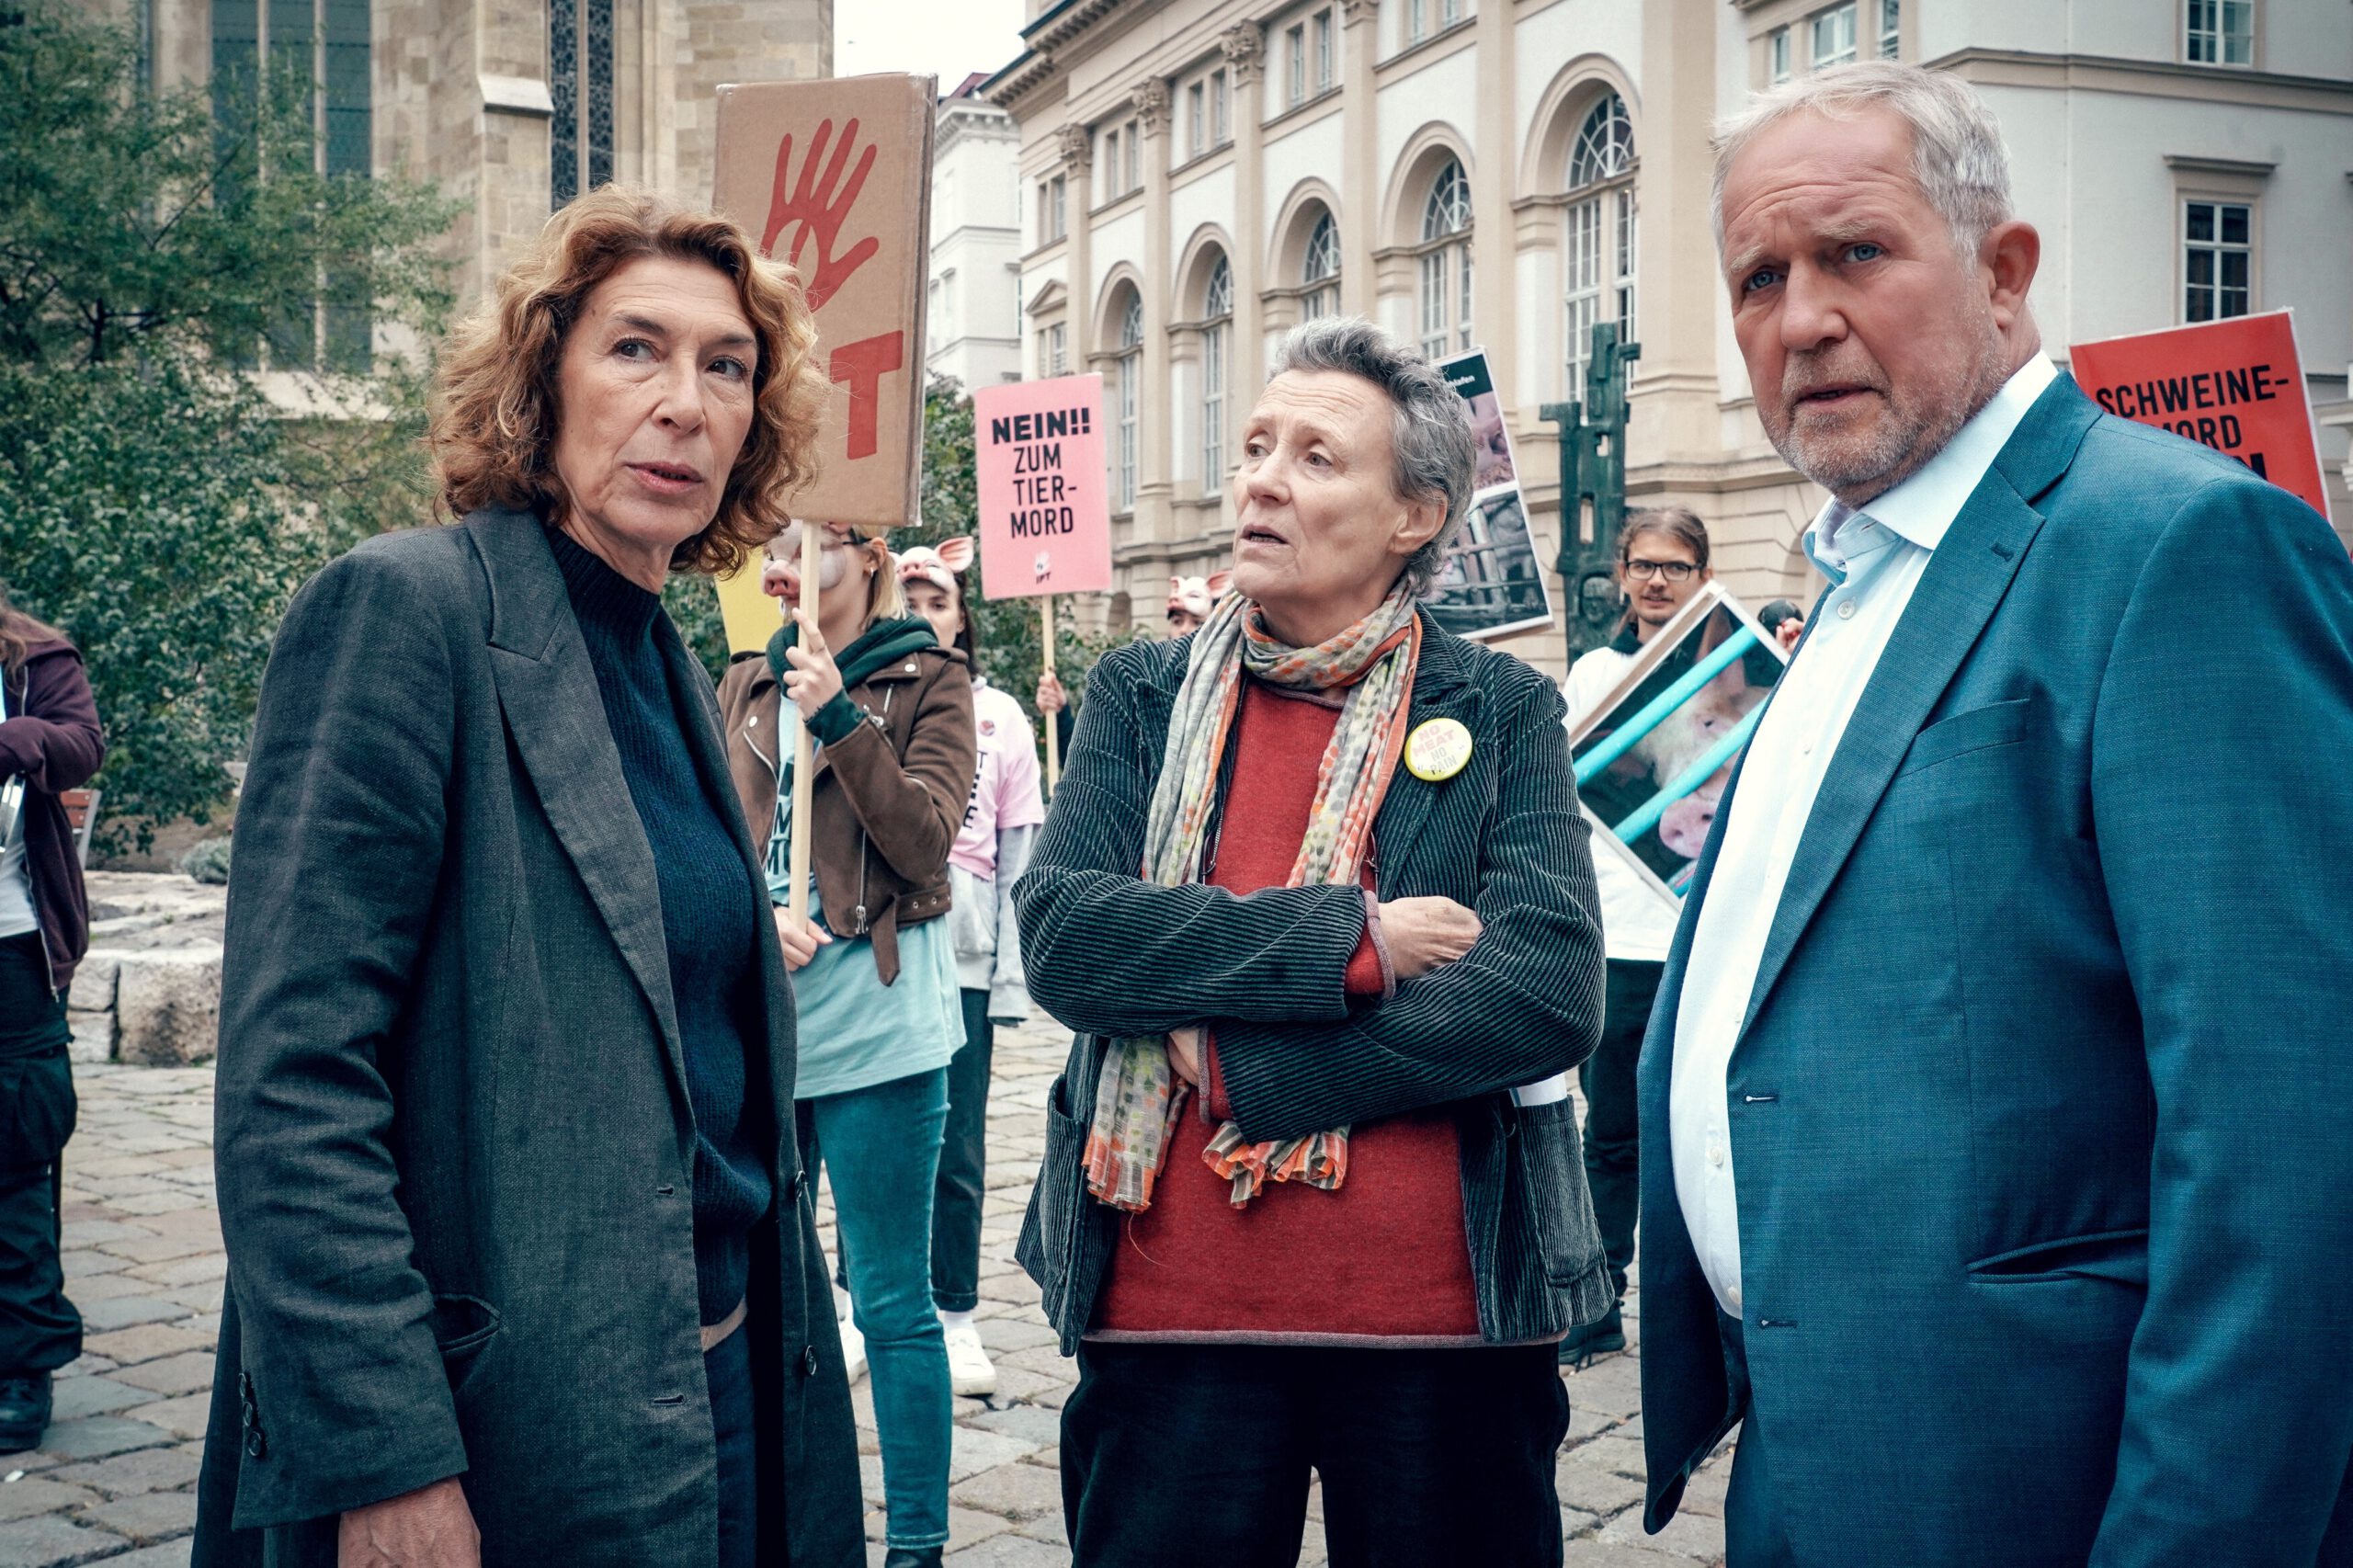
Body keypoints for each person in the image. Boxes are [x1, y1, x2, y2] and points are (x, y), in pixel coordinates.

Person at [1638, 62, 2353, 1564]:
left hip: (2038, 1492)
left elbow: (2287, 1160)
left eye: (1856, 253)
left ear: (2007, 273)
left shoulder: (2182, 547)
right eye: (1759, 276)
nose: (1802, 317)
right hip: (1813, 1465)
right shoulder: (1852, 577)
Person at [194, 187, 864, 1568]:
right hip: (510, 1418)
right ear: (541, 379)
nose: (684, 401)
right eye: (635, 350)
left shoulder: (669, 661)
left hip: (725, 1385)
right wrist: (387, 1459)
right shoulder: (409, 609)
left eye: (726, 366)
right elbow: (294, 1084)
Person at [1015, 317, 1609, 1568]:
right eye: (1254, 447)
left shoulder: (1500, 707)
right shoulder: (1139, 690)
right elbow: (1069, 935)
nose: (1263, 480)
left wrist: (1244, 1069)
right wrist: (1351, 940)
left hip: (1445, 1332)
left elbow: (1543, 986)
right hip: (1172, 1324)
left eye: (1317, 457)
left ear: (1414, 515)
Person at [716, 519, 975, 1568]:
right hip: (760, 1025)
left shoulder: (926, 675)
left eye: (808, 538)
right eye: (769, 538)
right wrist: (745, 910)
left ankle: (915, 1541)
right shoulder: (738, 678)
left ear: (865, 553)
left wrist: (839, 716)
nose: (782, 555)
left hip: (879, 1026)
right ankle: (782, 1523)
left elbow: (923, 842)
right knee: (763, 1293)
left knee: (889, 1297)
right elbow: (697, 840)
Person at [1554, 507, 1713, 1365]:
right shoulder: (1593, 673)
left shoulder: (1736, 671)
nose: (1657, 580)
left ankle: (1706, 1310)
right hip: (1618, 933)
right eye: (1644, 565)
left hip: (1701, 935)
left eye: (1676, 567)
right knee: (1611, 1128)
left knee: (1702, 1132)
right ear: (1622, 575)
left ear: (1700, 575)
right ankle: (1597, 1299)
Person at [895, 540, 1046, 1400]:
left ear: (963, 619)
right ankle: (858, 1302)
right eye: (908, 598)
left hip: (963, 961)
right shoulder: (861, 700)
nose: (923, 612)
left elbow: (1020, 856)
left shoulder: (1004, 720)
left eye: (939, 599)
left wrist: (1013, 978)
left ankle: (954, 1312)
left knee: (956, 1148)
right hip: (877, 954)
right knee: (866, 1141)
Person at [0, 590, 103, 1454]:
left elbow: (81, 746)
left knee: (17, 1158)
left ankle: (19, 1370)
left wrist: (14, 740)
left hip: (10, 950)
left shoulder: (32, 658)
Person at [1033, 571, 1229, 746]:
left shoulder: (1229, 685)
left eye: (1197, 622)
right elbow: (1095, 763)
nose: (1185, 629)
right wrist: (1060, 714)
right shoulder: (1144, 685)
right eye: (1178, 621)